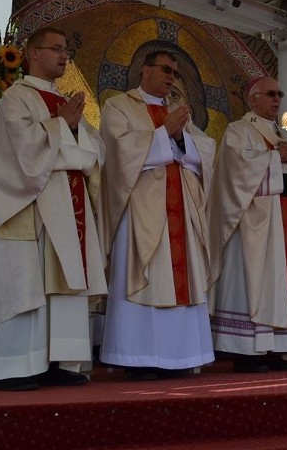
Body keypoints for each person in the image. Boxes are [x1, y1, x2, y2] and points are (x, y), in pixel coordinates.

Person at [0, 26, 107, 391]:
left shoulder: (66, 101)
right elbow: (23, 151)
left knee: (65, 279)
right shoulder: (16, 99)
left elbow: (93, 154)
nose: (63, 56)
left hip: (69, 207)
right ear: (32, 54)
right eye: (55, 49)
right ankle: (17, 366)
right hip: (33, 205)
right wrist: (64, 129)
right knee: (31, 282)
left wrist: (68, 133)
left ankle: (60, 361)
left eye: (66, 49)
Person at [100, 49, 216, 380]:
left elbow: (204, 151)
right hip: (140, 212)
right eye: (165, 69)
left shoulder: (178, 114)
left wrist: (179, 139)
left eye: (175, 73)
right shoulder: (118, 106)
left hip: (179, 204)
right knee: (145, 277)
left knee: (180, 279)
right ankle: (138, 357)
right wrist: (165, 134)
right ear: (144, 71)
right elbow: (118, 153)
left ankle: (179, 356)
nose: (171, 77)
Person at [209, 77, 287, 372]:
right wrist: (274, 157)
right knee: (253, 280)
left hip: (285, 221)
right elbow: (235, 169)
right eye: (271, 94)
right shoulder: (239, 131)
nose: (277, 99)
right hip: (253, 225)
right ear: (253, 99)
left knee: (281, 281)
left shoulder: (284, 134)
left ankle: (277, 348)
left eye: (280, 94)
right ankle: (246, 351)